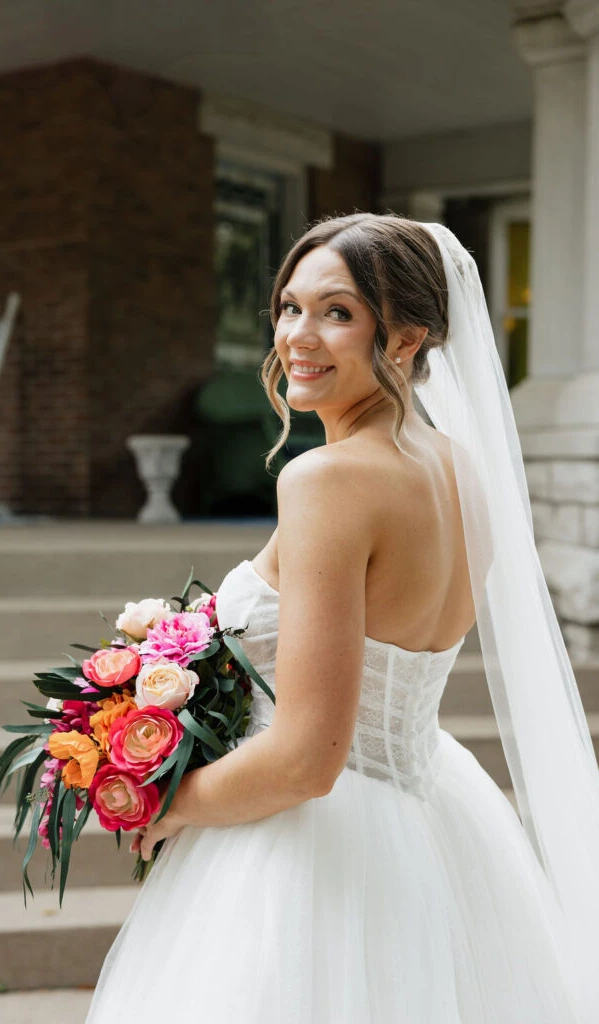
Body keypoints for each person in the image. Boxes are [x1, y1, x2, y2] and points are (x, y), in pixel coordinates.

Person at [85, 213, 598, 1023]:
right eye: (289, 307)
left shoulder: (327, 480)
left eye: (337, 313)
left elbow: (304, 761)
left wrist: (168, 806)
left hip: (314, 850)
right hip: (431, 817)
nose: (298, 335)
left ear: (405, 339)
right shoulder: (459, 468)